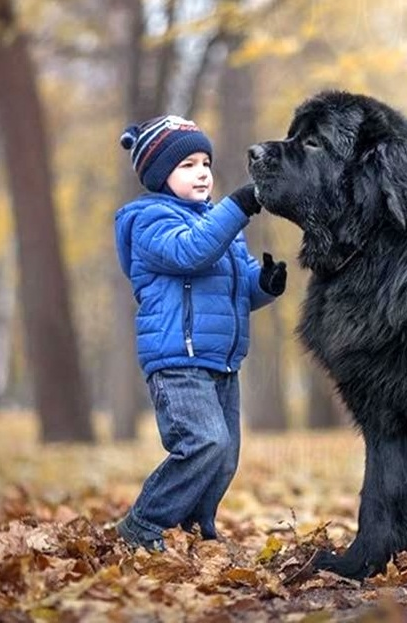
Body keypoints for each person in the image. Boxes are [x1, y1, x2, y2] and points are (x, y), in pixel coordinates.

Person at [112, 114, 286, 551]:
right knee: (204, 442)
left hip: (221, 360)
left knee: (224, 457)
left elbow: (237, 286)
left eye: (205, 162)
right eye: (187, 165)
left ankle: (191, 530)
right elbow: (191, 253)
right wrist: (240, 205)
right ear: (159, 174)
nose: (203, 172)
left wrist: (263, 285)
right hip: (177, 360)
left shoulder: (218, 223)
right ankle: (144, 522)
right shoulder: (149, 221)